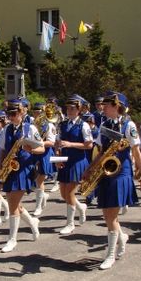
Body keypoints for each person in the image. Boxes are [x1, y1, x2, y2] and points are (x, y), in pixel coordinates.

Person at [85, 92, 141, 269]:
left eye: (107, 105)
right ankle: (122, 237)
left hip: (121, 173)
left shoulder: (129, 125)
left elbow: (136, 152)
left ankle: (110, 254)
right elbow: (99, 150)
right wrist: (89, 169)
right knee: (107, 215)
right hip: (106, 172)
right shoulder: (103, 124)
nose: (103, 108)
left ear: (116, 106)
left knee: (111, 216)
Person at [0, 99, 44, 252]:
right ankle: (32, 223)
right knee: (14, 203)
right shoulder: (7, 129)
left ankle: (12, 239)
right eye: (9, 114)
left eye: (14, 113)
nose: (11, 117)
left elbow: (42, 149)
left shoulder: (30, 129)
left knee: (12, 204)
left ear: (22, 112)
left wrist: (30, 150)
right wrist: (0, 165)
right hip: (10, 168)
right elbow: (2, 149)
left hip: (24, 168)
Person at [56, 95, 93, 234]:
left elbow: (89, 145)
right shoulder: (63, 124)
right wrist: (58, 154)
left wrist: (70, 144)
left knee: (70, 192)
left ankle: (70, 223)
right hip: (65, 160)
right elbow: (58, 142)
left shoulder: (83, 125)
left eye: (72, 108)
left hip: (77, 161)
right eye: (68, 108)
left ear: (79, 110)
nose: (69, 111)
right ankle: (81, 207)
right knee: (63, 193)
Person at [31, 102, 56, 216]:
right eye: (35, 112)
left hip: (45, 153)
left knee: (40, 179)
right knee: (36, 180)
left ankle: (38, 207)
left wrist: (39, 142)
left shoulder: (49, 125)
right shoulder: (31, 124)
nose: (36, 114)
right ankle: (43, 196)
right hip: (34, 152)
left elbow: (51, 142)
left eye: (38, 112)